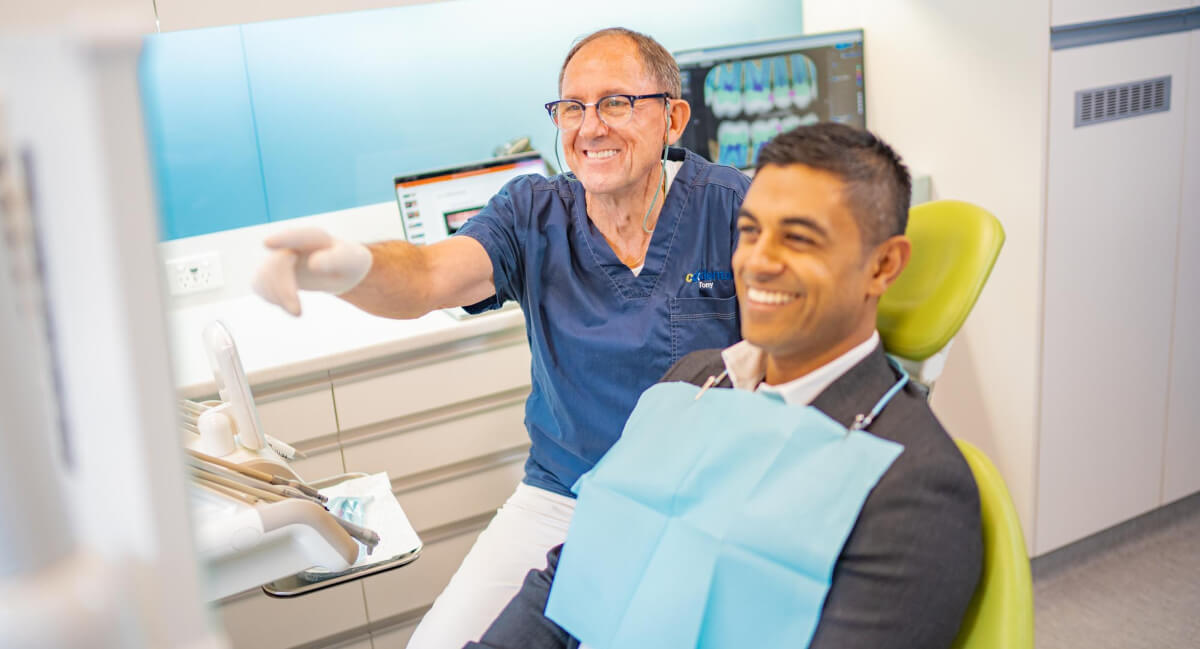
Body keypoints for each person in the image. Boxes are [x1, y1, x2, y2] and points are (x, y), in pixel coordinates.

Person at [251, 27, 751, 648]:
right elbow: (430, 274)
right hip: (563, 497)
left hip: (702, 502)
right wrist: (349, 266)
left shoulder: (732, 208)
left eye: (616, 103)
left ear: (672, 118)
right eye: (573, 107)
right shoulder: (533, 213)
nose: (591, 126)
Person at [465, 123, 984, 649]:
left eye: (800, 238)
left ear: (883, 265)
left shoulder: (915, 482)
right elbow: (572, 582)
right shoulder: (691, 382)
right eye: (751, 231)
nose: (758, 261)